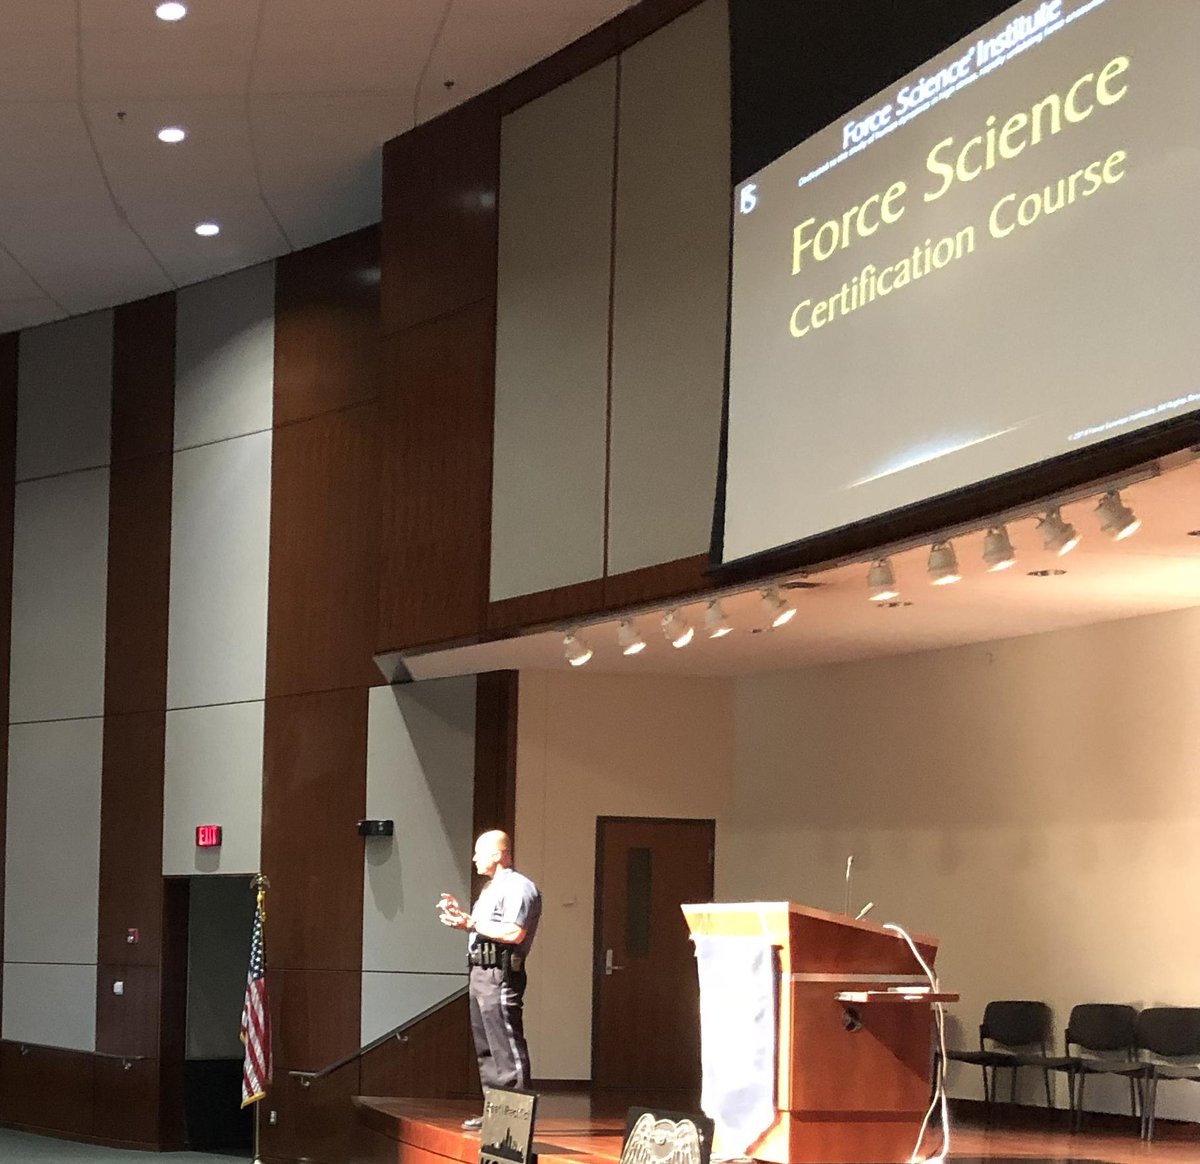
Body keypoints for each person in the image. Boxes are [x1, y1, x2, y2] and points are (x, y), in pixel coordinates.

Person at [437, 829, 541, 1130]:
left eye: (479, 852)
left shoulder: (519, 887)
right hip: (480, 972)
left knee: (505, 1045)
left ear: (498, 854)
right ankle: (497, 1112)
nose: (473, 858)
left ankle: (517, 1120)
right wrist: (463, 920)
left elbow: (513, 932)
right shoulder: (489, 889)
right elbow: (482, 928)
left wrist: (471, 923)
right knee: (487, 1049)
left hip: (501, 973)